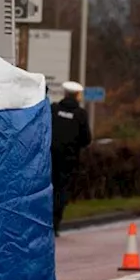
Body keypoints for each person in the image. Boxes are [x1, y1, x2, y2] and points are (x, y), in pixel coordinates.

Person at [50, 81, 92, 237]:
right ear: (77, 96)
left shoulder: (53, 109)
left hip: (49, 158)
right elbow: (86, 139)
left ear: (65, 94)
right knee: (61, 191)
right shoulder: (81, 115)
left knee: (46, 188)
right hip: (68, 161)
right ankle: (54, 224)